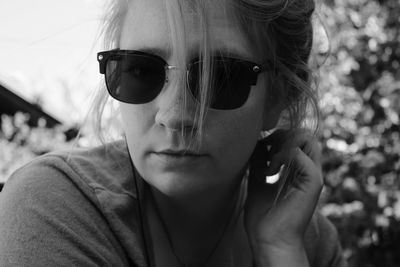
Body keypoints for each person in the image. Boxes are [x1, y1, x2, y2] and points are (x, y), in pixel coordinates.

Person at [0, 0, 347, 266]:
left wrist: (280, 250)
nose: (175, 115)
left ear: (279, 95)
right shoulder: (56, 209)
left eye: (220, 77)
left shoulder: (307, 240)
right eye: (140, 70)